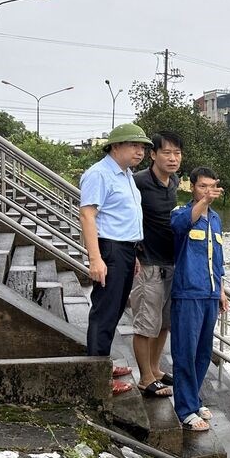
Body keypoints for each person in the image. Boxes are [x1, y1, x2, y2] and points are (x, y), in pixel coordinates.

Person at [79, 123, 152, 396]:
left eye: (142, 147)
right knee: (105, 311)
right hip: (109, 249)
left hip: (125, 249)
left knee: (116, 309)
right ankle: (97, 379)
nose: (140, 151)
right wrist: (95, 259)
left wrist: (133, 253)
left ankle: (103, 365)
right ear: (116, 146)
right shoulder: (99, 174)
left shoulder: (126, 175)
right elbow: (87, 215)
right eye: (134, 145)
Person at [170, 166, 228, 431]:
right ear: (192, 187)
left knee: (203, 352)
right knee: (185, 351)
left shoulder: (215, 219)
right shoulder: (181, 213)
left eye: (211, 186)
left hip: (210, 293)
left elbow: (218, 259)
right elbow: (180, 226)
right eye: (202, 186)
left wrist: (221, 291)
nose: (207, 191)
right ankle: (185, 409)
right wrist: (203, 202)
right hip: (188, 292)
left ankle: (194, 400)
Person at [130, 131, 183, 397]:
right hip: (147, 262)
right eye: (167, 153)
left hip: (170, 261)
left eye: (177, 153)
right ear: (153, 155)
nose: (173, 158)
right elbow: (124, 214)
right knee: (145, 323)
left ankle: (155, 368)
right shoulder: (138, 181)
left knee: (163, 323)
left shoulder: (173, 181)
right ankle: (145, 378)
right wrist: (132, 252)